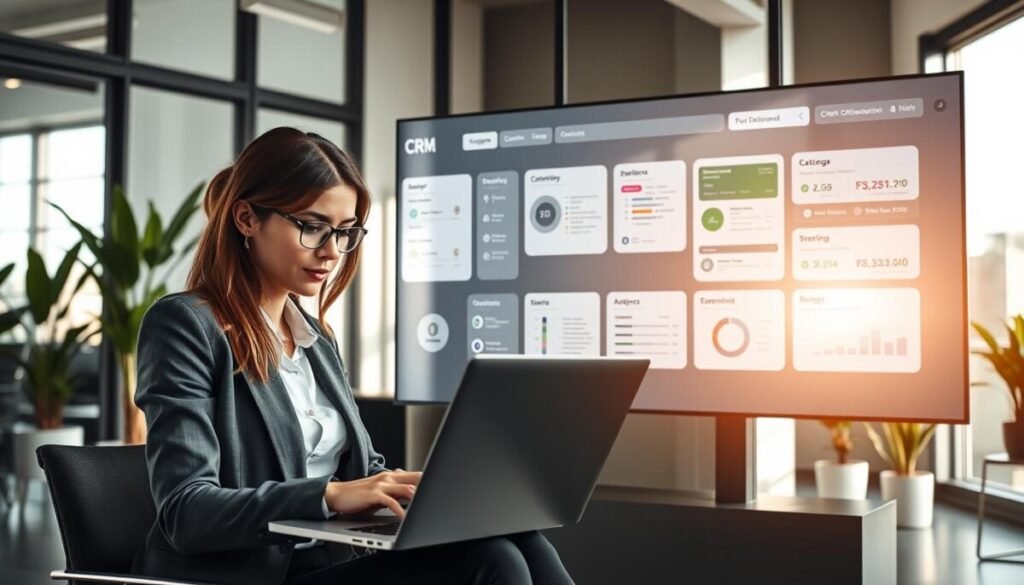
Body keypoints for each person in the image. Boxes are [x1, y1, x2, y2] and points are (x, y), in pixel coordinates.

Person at [132, 127, 575, 585]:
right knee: (493, 563)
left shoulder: (316, 340)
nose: (331, 252)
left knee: (517, 539)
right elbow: (186, 512)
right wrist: (328, 495)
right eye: (312, 226)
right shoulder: (185, 325)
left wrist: (427, 493)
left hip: (325, 568)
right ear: (247, 218)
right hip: (243, 577)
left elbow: (360, 470)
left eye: (345, 233)